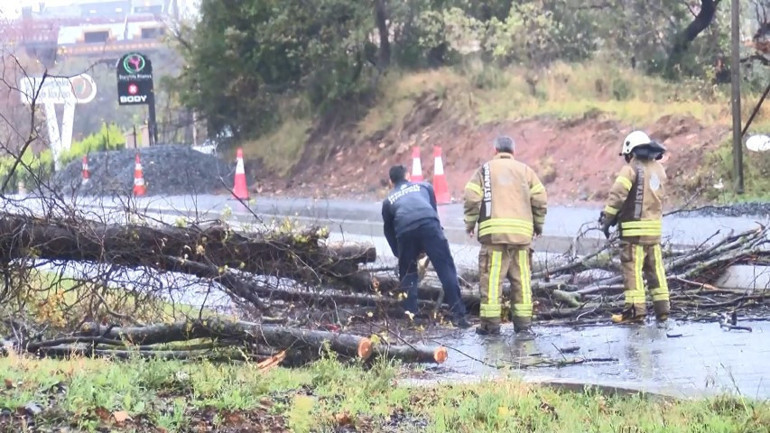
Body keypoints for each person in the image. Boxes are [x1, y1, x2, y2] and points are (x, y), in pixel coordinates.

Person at [463, 136, 547, 338]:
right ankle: (524, 326)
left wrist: (470, 223)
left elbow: (472, 196)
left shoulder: (485, 170)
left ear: (495, 150)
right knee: (522, 283)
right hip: (521, 239)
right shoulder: (526, 171)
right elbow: (540, 199)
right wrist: (538, 225)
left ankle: (491, 327)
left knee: (492, 283)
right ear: (513, 151)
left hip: (494, 238)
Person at [381, 164, 470, 328]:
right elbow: (432, 211)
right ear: (408, 175)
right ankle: (460, 316)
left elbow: (388, 231)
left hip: (405, 231)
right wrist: (435, 235)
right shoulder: (424, 186)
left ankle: (411, 318)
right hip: (430, 226)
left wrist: (399, 254)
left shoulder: (388, 201)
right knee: (446, 270)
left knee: (408, 275)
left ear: (391, 182)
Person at [599, 130, 670, 325]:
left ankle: (634, 312)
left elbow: (617, 195)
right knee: (656, 270)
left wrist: (607, 219)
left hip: (633, 234)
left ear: (630, 152)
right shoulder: (658, 169)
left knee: (633, 271)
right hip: (654, 231)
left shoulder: (631, 169)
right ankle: (663, 310)